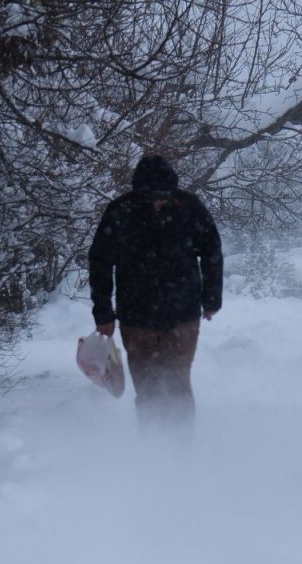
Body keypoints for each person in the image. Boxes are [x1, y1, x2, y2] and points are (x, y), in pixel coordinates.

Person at [89, 154, 223, 432]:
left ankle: (182, 444)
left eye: (163, 196)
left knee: (178, 381)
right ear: (139, 191)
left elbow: (212, 252)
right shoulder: (120, 211)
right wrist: (103, 313)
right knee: (147, 385)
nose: (157, 202)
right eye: (151, 197)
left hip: (183, 315)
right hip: (136, 317)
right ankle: (152, 444)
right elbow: (100, 262)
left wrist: (211, 299)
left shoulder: (190, 208)